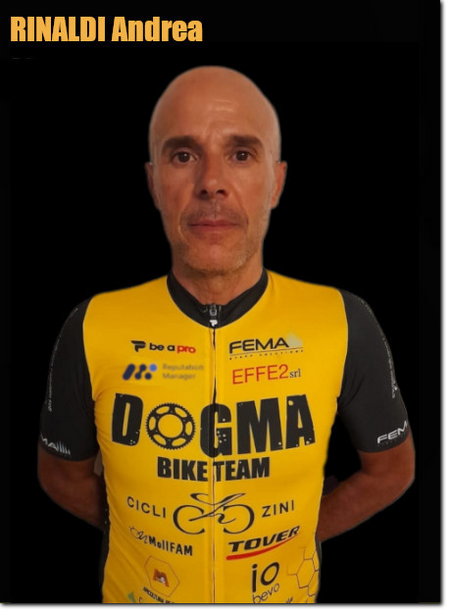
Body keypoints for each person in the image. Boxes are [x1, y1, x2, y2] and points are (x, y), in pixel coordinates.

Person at [37, 65, 415, 604]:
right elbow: (60, 475)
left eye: (240, 154)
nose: (210, 182)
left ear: (276, 182)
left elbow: (392, 470)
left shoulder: (343, 320)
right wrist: (139, 531)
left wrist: (298, 537)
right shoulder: (91, 325)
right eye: (183, 155)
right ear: (153, 182)